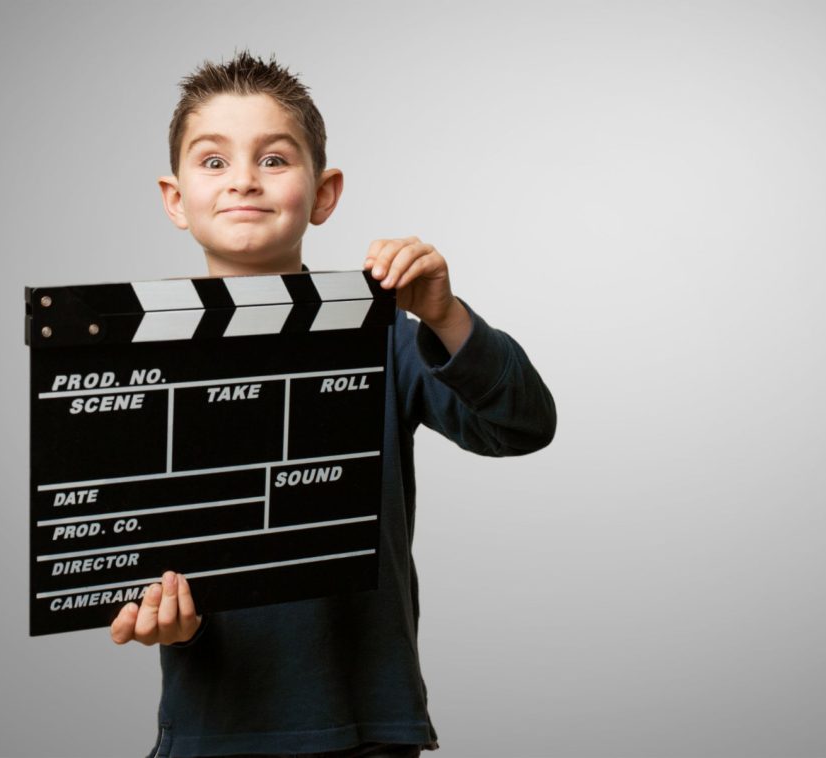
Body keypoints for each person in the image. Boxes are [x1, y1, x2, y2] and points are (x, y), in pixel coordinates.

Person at [109, 52, 556, 758]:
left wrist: (444, 317)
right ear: (175, 197)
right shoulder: (137, 368)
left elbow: (522, 425)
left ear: (324, 192)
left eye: (276, 159)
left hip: (367, 724)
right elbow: (127, 542)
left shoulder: (388, 342)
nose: (245, 180)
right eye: (214, 161)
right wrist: (161, 614)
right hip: (210, 728)